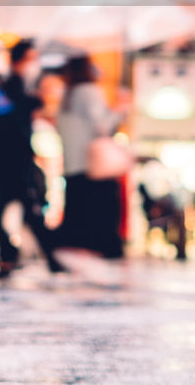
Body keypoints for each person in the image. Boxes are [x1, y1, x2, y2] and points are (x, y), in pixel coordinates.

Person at [0, 41, 66, 274]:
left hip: (16, 160)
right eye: (31, 58)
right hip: (10, 160)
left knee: (24, 211)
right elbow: (11, 122)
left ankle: (19, 255)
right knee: (11, 211)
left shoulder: (20, 86)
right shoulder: (11, 85)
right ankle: (32, 256)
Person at [54, 55, 127, 259]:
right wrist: (120, 109)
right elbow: (102, 124)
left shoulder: (67, 94)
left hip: (73, 164)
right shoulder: (88, 92)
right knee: (101, 213)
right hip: (92, 165)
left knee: (78, 214)